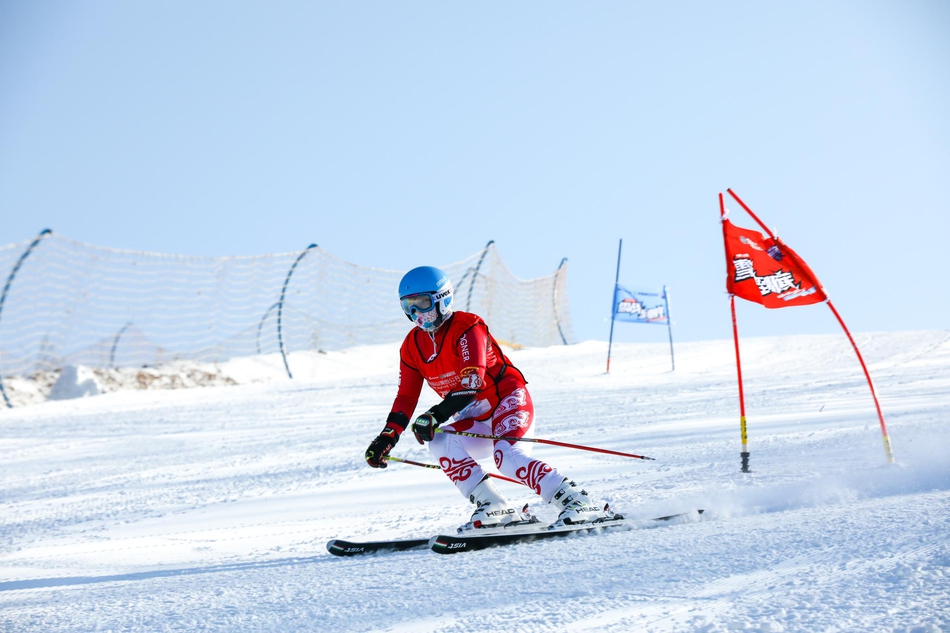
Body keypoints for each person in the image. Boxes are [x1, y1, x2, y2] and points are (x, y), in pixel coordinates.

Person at [365, 265, 612, 531]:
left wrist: (435, 415)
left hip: (507, 400)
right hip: (473, 415)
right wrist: (387, 437)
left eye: (422, 303)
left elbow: (472, 381)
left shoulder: (467, 326)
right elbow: (405, 397)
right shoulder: (412, 346)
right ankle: (494, 505)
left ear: (442, 299)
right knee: (440, 441)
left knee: (507, 456)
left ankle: (577, 501)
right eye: (408, 305)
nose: (416, 313)